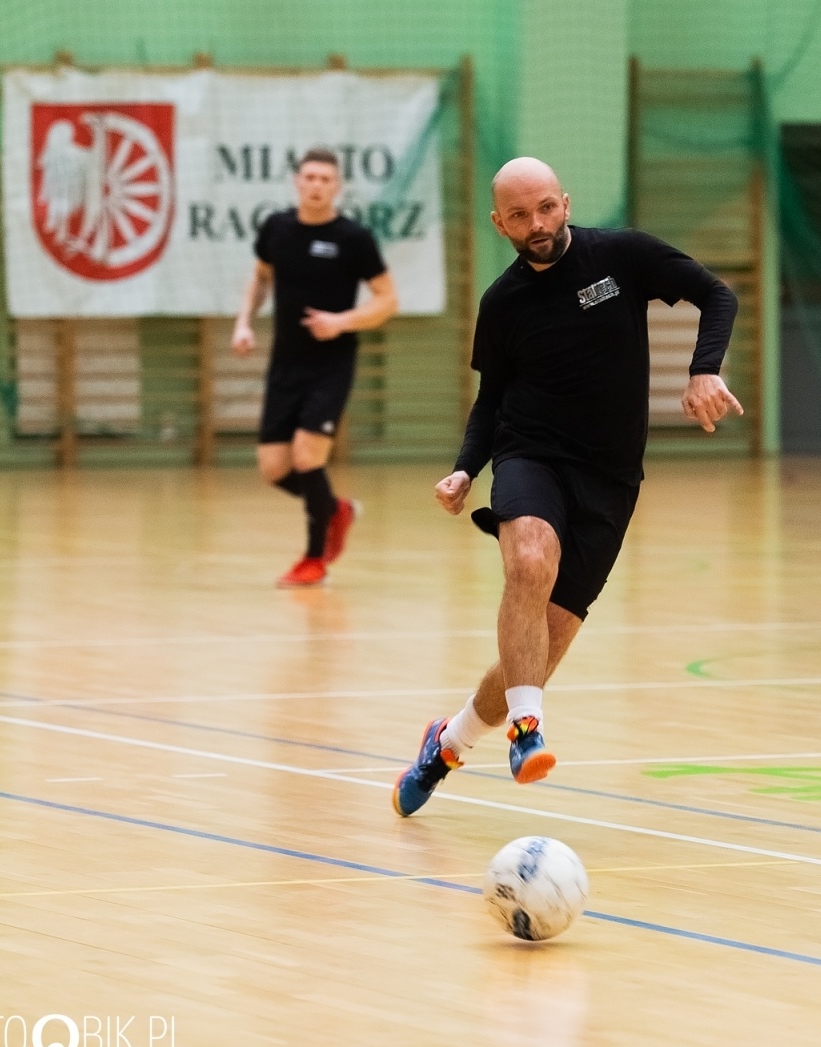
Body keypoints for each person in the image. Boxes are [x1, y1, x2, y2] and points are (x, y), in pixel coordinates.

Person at [392, 157, 741, 815]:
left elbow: (717, 294)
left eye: (547, 207)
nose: (538, 224)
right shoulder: (502, 302)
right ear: (499, 224)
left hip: (611, 478)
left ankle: (448, 743)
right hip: (531, 454)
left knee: (536, 650)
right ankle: (527, 729)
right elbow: (491, 398)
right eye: (520, 215)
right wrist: (467, 466)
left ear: (566, 202)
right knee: (529, 561)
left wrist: (704, 369)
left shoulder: (622, 256)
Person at [231, 147, 398, 588]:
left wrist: (340, 322)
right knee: (274, 468)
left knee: (307, 457)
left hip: (331, 365)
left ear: (337, 186)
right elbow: (261, 276)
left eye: (325, 179)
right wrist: (243, 322)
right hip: (285, 363)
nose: (316, 185)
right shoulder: (277, 228)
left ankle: (313, 560)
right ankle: (335, 510)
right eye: (309, 177)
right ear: (297, 182)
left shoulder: (353, 238)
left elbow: (387, 300)